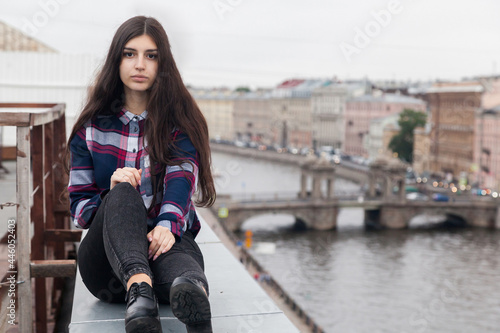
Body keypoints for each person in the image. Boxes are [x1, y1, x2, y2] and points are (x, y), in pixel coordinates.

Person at [66, 16, 216, 333]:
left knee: (183, 268)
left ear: (163, 65)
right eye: (130, 54)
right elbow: (80, 210)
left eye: (151, 56)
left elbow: (181, 180)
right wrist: (110, 195)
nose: (140, 65)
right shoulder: (90, 129)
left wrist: (167, 225)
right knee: (122, 192)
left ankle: (193, 306)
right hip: (106, 266)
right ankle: (139, 288)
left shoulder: (180, 125)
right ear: (116, 60)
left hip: (163, 247)